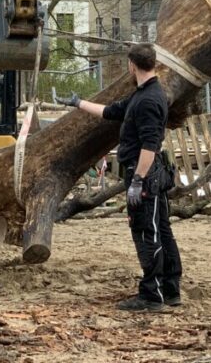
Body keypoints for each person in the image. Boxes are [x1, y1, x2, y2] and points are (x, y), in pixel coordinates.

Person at [55, 43, 181, 311]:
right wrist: (78, 103)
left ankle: (151, 295)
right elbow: (111, 111)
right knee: (161, 230)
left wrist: (137, 180)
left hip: (145, 174)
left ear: (131, 65)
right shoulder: (144, 93)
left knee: (148, 232)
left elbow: (150, 145)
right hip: (148, 172)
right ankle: (170, 289)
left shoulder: (149, 99)